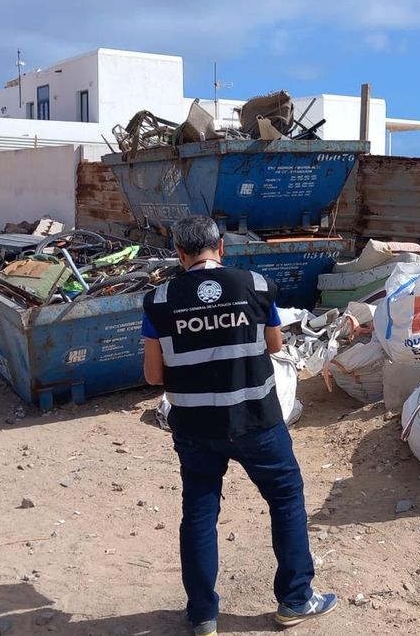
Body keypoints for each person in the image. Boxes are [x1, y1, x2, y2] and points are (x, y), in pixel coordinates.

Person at [141, 216, 337, 635]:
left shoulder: (158, 300)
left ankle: (202, 616)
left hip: (195, 427)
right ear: (222, 248)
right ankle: (295, 600)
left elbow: (154, 376)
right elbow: (275, 344)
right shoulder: (257, 285)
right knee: (285, 500)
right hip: (256, 422)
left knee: (198, 512)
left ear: (179, 253)